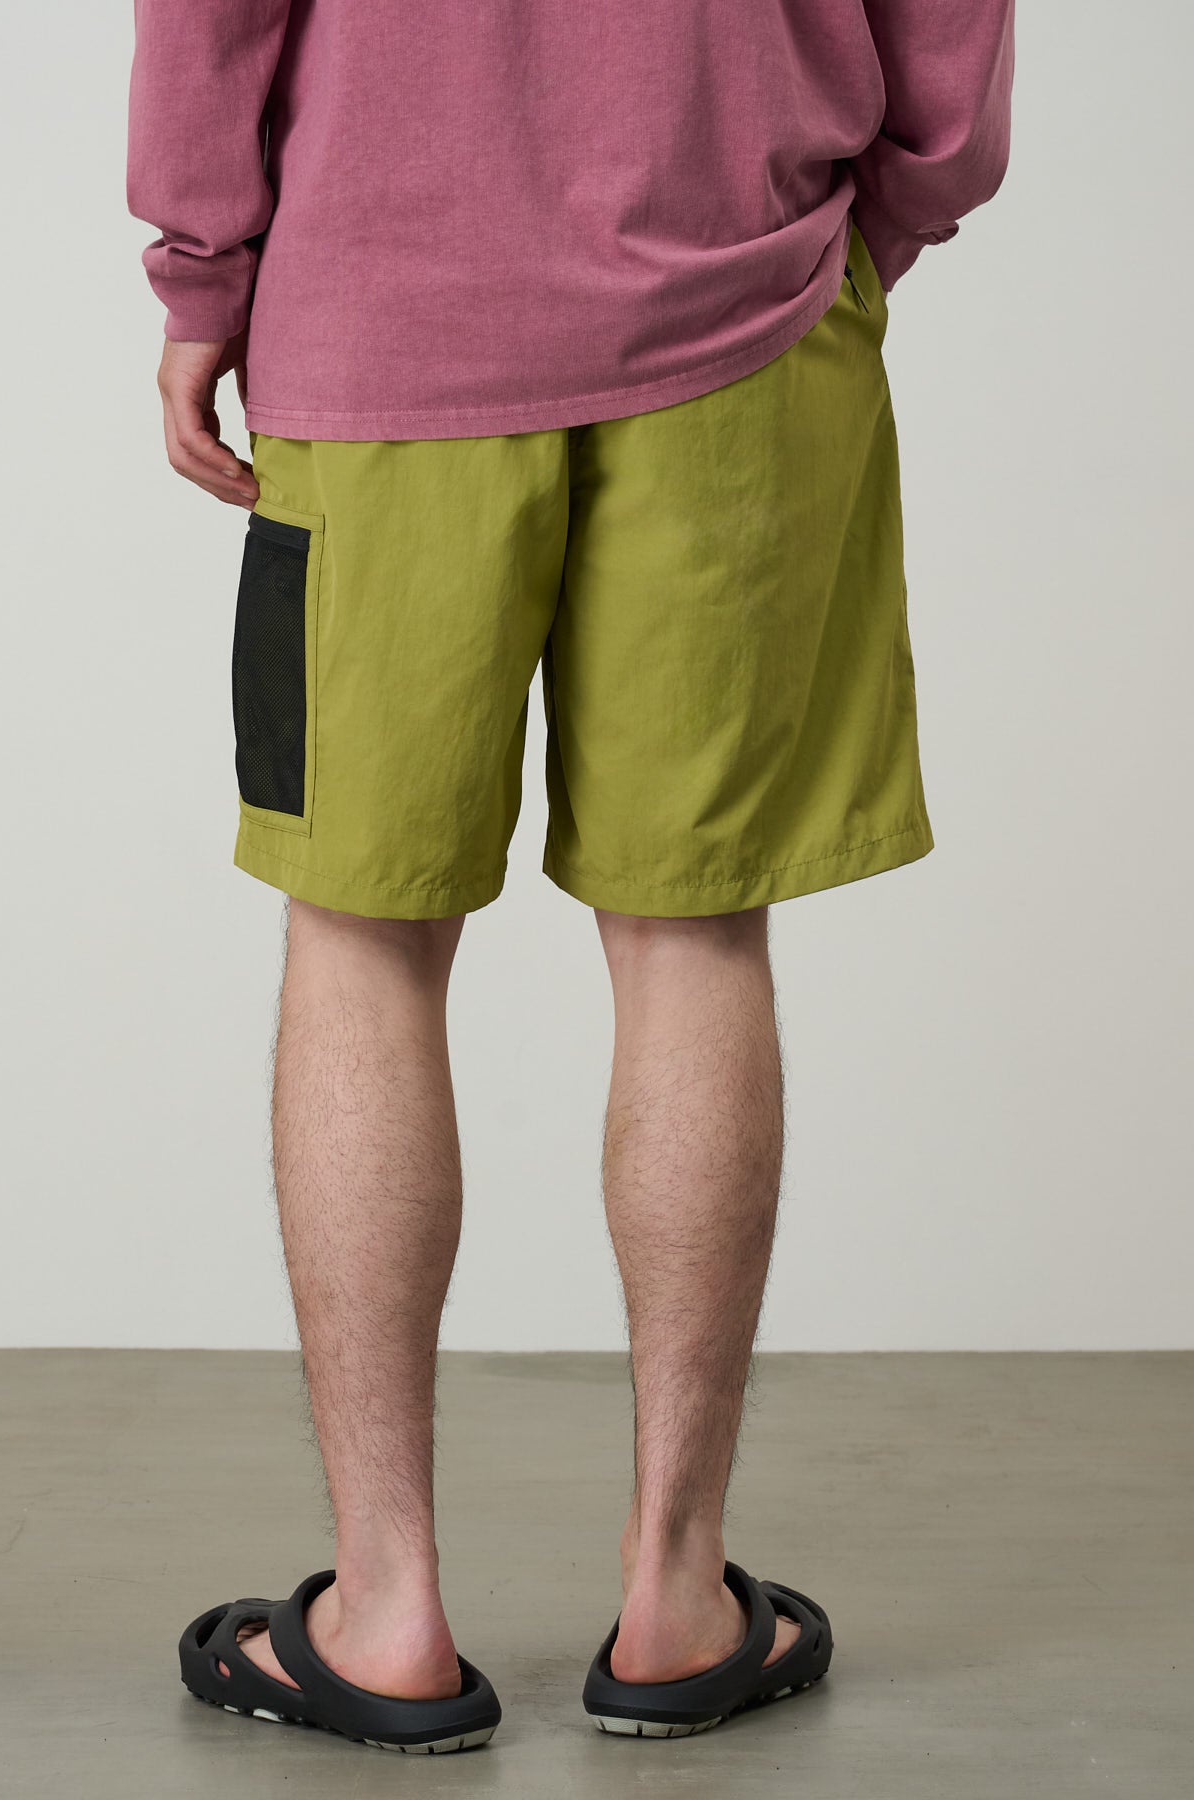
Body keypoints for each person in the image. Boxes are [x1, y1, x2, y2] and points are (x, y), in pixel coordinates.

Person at [130, 0, 1013, 1755]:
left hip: (381, 310)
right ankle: (678, 1597)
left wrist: (201, 273)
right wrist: (893, 198)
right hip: (744, 301)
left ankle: (384, 1610)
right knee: (695, 935)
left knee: (362, 940)